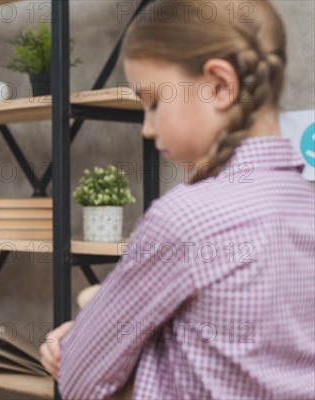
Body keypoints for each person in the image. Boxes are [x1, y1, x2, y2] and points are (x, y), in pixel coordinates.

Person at [40, 1, 315, 399]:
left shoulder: (186, 217)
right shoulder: (305, 208)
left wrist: (95, 305)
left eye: (153, 102)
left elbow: (81, 381)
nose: (147, 129)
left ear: (219, 85)